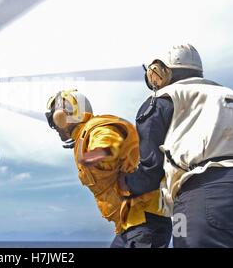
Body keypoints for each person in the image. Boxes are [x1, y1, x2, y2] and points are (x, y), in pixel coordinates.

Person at [120, 44, 233, 247]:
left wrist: (125, 184)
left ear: (159, 70)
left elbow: (149, 168)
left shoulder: (163, 98)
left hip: (200, 192)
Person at [45, 90, 172, 248]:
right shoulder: (85, 136)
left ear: (65, 114)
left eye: (53, 119)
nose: (54, 126)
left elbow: (108, 144)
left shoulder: (95, 129)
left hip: (144, 220)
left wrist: (95, 155)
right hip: (130, 224)